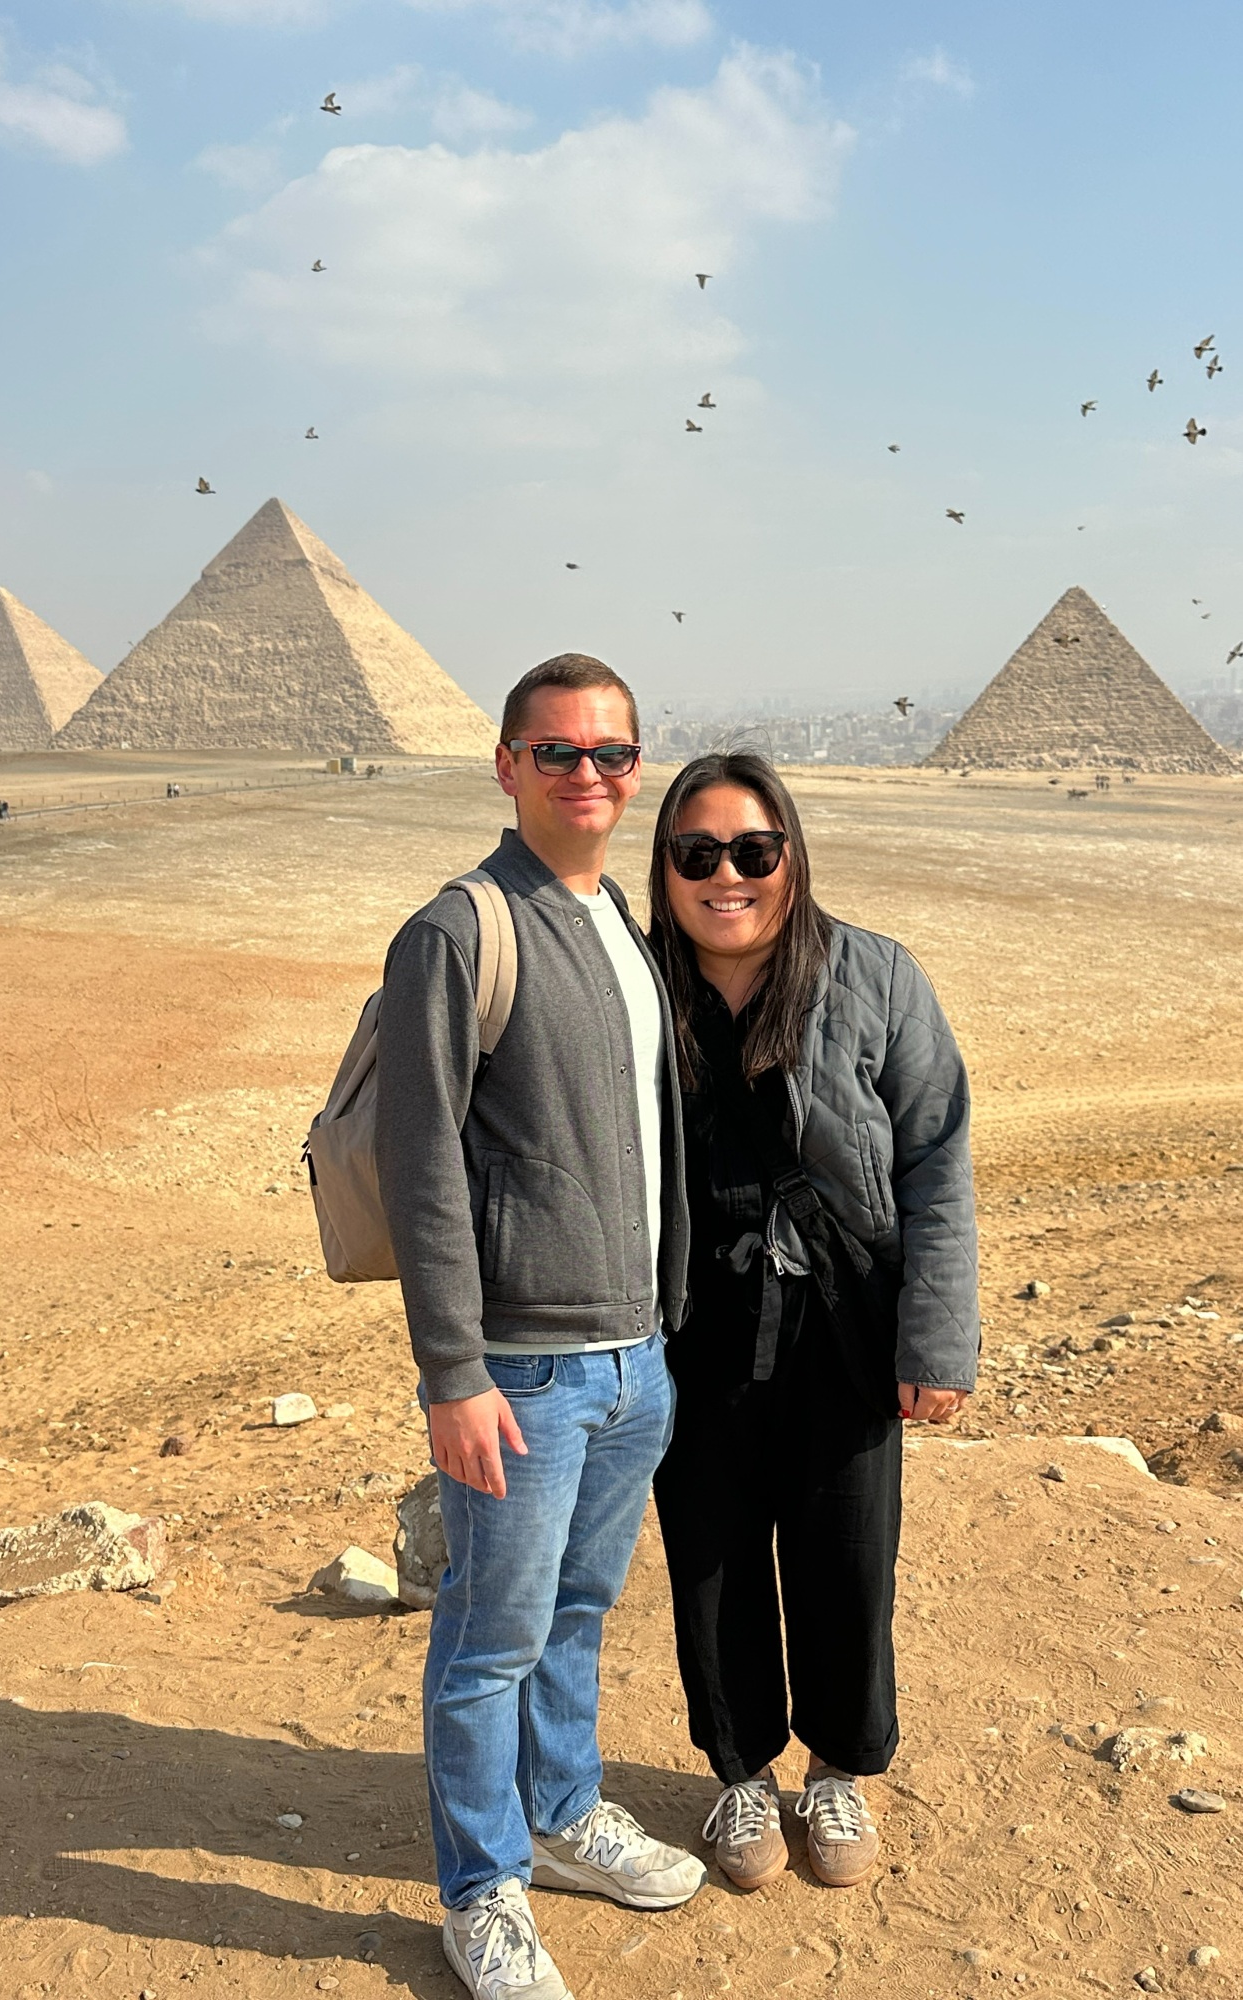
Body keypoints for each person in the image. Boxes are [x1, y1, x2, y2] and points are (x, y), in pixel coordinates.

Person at [376, 656, 706, 2000]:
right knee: (488, 1640)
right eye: (558, 752)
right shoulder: (459, 932)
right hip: (520, 1368)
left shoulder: (621, 920)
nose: (588, 775)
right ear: (506, 765)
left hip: (633, 1357)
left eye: (611, 753)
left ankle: (562, 1815)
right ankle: (481, 1891)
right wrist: (452, 1372)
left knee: (577, 1611)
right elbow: (420, 1165)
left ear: (637, 768)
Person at [644, 749, 978, 1894]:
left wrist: (937, 1340)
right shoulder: (637, 985)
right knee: (712, 1558)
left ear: (791, 854)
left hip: (844, 1320)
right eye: (697, 853)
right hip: (693, 1325)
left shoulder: (876, 976)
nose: (726, 876)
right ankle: (741, 1769)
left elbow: (936, 1158)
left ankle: (839, 1765)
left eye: (753, 849)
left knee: (847, 1556)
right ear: (664, 866)